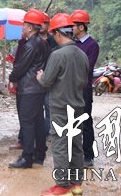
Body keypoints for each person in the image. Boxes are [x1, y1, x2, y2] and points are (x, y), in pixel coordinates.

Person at [36, 13, 88, 196]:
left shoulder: (57, 55)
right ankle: (76, 184)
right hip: (78, 106)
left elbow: (46, 82)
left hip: (60, 107)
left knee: (60, 144)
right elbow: (84, 81)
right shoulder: (82, 55)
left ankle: (62, 184)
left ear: (58, 33)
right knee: (75, 145)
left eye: (53, 33)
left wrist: (40, 76)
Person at [7, 9, 49, 169]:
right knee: (38, 121)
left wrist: (12, 79)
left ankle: (27, 157)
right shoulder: (42, 43)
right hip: (38, 87)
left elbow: (21, 66)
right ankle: (40, 153)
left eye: (24, 25)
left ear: (30, 27)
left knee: (27, 123)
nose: (22, 28)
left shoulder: (31, 45)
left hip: (29, 88)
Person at [71, 9, 100, 168]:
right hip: (71, 88)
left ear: (81, 27)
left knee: (85, 122)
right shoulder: (72, 44)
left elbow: (87, 66)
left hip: (84, 88)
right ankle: (74, 154)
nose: (72, 28)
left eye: (74, 25)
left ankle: (88, 156)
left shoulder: (92, 45)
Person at [38, 12, 55, 139]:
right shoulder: (32, 40)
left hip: (50, 77)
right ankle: (38, 133)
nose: (42, 25)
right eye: (40, 23)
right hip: (35, 78)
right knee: (36, 108)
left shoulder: (54, 40)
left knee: (49, 106)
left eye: (45, 23)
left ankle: (48, 132)